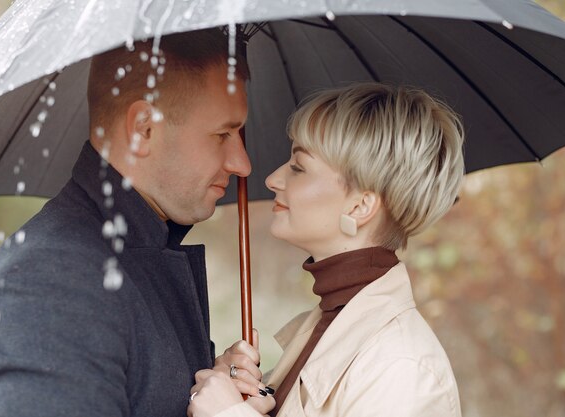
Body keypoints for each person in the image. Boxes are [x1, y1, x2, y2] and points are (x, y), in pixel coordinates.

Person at [0, 28, 270, 417]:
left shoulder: (137, 252)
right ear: (144, 129)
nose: (242, 164)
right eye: (223, 134)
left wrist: (215, 388)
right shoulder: (51, 285)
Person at [188, 82, 464, 417]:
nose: (272, 179)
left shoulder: (403, 368)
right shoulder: (326, 324)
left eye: (298, 167)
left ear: (360, 206)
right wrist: (234, 396)